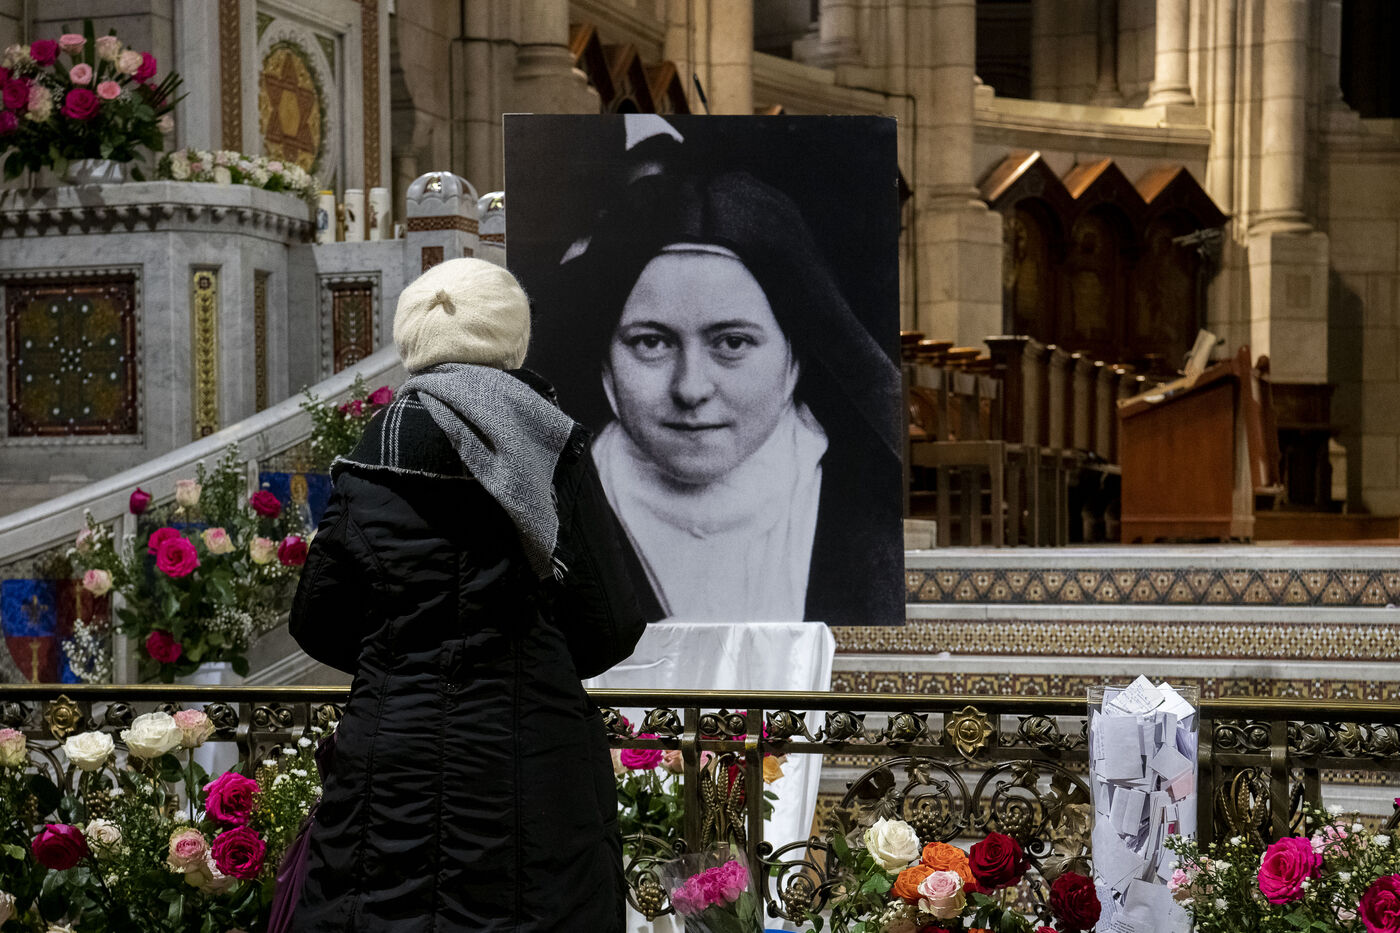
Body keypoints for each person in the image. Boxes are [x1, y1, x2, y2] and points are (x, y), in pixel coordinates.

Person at [288, 257, 645, 932]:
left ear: (413, 338)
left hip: (390, 766)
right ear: (513, 337)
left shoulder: (372, 456)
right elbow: (610, 626)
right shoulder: (552, 448)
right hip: (532, 767)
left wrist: (397, 662)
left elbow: (317, 620)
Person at [533, 167, 904, 626]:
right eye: (651, 342)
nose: (691, 389)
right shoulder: (549, 515)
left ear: (795, 359)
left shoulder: (871, 520)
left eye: (732, 342)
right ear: (605, 361)